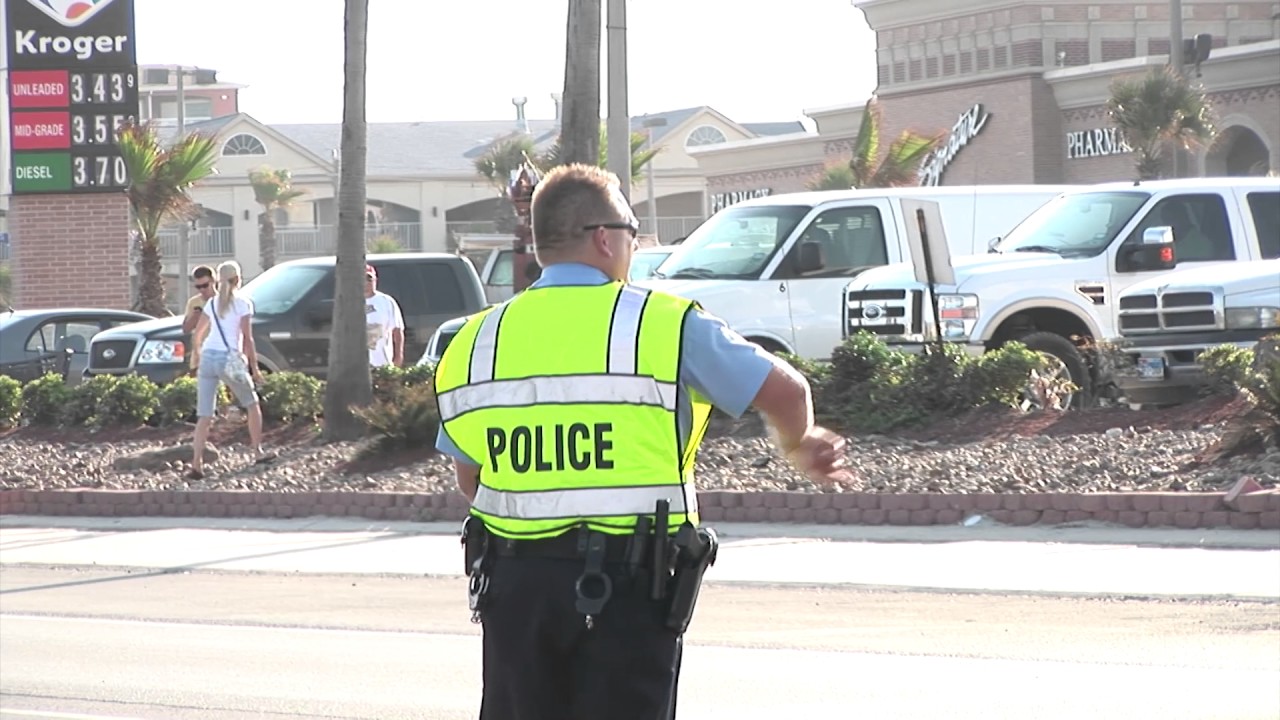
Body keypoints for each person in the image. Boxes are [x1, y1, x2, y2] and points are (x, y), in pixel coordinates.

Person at [433, 163, 852, 720]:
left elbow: (471, 480)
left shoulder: (473, 341)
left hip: (515, 592)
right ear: (604, 238)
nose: (634, 242)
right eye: (632, 228)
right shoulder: (662, 324)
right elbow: (786, 391)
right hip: (626, 591)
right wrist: (800, 443)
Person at [189, 261, 275, 479]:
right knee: (252, 404)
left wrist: (198, 355)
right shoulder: (242, 303)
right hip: (228, 359)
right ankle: (257, 450)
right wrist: (255, 368)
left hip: (208, 358)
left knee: (204, 415)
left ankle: (196, 463)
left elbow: (198, 335)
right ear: (238, 279)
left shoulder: (211, 304)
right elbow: (248, 339)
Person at [364, 264, 405, 368]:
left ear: (375, 280)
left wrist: (398, 356)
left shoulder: (386, 301)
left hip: (382, 362)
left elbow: (397, 331)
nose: (366, 283)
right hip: (359, 364)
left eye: (369, 279)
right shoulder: (351, 302)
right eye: (362, 279)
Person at [182, 265, 216, 374]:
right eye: (198, 287)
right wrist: (195, 317)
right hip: (198, 357)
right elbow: (186, 329)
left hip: (219, 355)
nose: (202, 289)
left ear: (213, 281)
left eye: (205, 285)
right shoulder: (193, 302)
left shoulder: (222, 301)